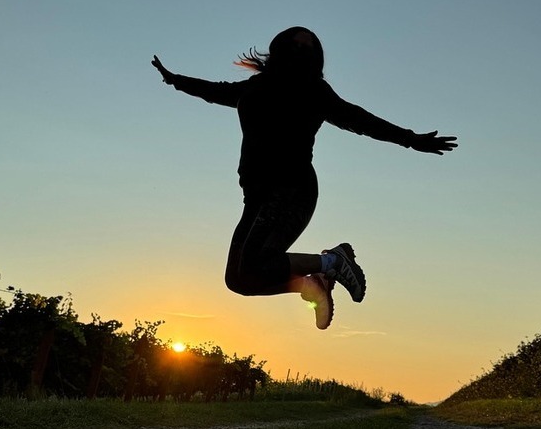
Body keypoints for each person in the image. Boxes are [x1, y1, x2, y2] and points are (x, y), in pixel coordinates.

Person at [151, 26, 457, 330]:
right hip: (257, 197)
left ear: (314, 59)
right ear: (279, 48)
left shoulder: (314, 91)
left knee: (258, 261)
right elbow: (213, 91)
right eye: (294, 42)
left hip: (292, 189)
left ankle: (333, 263)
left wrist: (410, 139)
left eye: (307, 47)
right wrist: (175, 80)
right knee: (239, 279)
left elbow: (360, 119)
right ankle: (312, 284)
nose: (299, 48)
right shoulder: (253, 88)